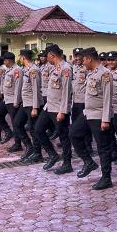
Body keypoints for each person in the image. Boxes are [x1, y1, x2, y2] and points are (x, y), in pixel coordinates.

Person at [71, 47, 114, 189]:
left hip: (99, 115)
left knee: (103, 147)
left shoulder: (105, 74)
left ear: (89, 59)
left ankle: (106, 178)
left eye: (83, 60)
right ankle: (89, 162)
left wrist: (106, 119)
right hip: (88, 113)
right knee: (74, 134)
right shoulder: (91, 73)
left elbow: (108, 98)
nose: (82, 63)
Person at [34, 44, 73, 174]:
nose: (46, 58)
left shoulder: (66, 68)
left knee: (63, 136)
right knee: (38, 129)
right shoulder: (54, 68)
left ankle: (67, 163)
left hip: (59, 109)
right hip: (49, 107)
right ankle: (52, 154)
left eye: (47, 56)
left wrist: (63, 111)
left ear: (52, 55)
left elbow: (66, 92)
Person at [17, 49, 44, 163]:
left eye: (20, 57)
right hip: (25, 103)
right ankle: (30, 147)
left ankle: (37, 153)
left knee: (33, 129)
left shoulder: (34, 70)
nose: (19, 59)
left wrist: (35, 107)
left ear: (23, 58)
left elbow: (36, 90)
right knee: (17, 124)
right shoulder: (26, 69)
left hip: (32, 104)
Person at [71, 48, 93, 154]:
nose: (77, 58)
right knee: (75, 123)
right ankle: (79, 145)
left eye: (79, 55)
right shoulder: (73, 67)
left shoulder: (87, 68)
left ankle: (88, 145)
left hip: (84, 100)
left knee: (86, 125)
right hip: (75, 100)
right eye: (75, 55)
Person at [0, 52, 22, 148]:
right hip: (6, 99)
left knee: (15, 122)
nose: (4, 62)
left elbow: (18, 87)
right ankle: (8, 132)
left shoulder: (17, 70)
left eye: (4, 60)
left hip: (13, 100)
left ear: (8, 60)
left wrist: (16, 101)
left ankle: (18, 144)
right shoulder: (9, 70)